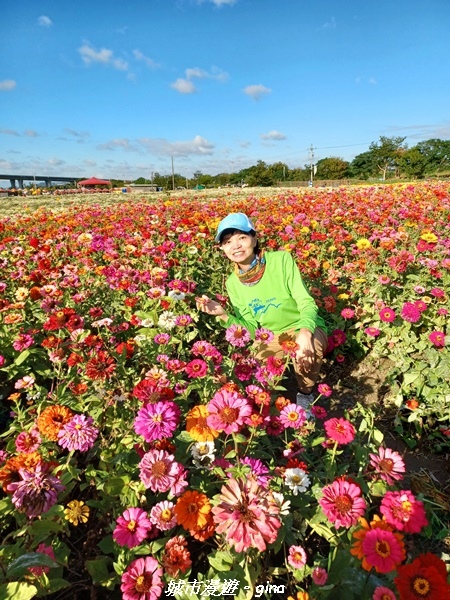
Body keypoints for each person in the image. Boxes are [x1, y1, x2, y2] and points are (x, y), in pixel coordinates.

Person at [196, 212, 328, 407]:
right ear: (222, 248)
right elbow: (250, 328)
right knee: (259, 377)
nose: (236, 246)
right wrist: (223, 315)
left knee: (308, 353)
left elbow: (306, 302)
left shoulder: (281, 260)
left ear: (254, 238)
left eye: (242, 237)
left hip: (302, 324)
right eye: (228, 241)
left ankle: (305, 393)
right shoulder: (233, 283)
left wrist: (305, 332)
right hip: (271, 335)